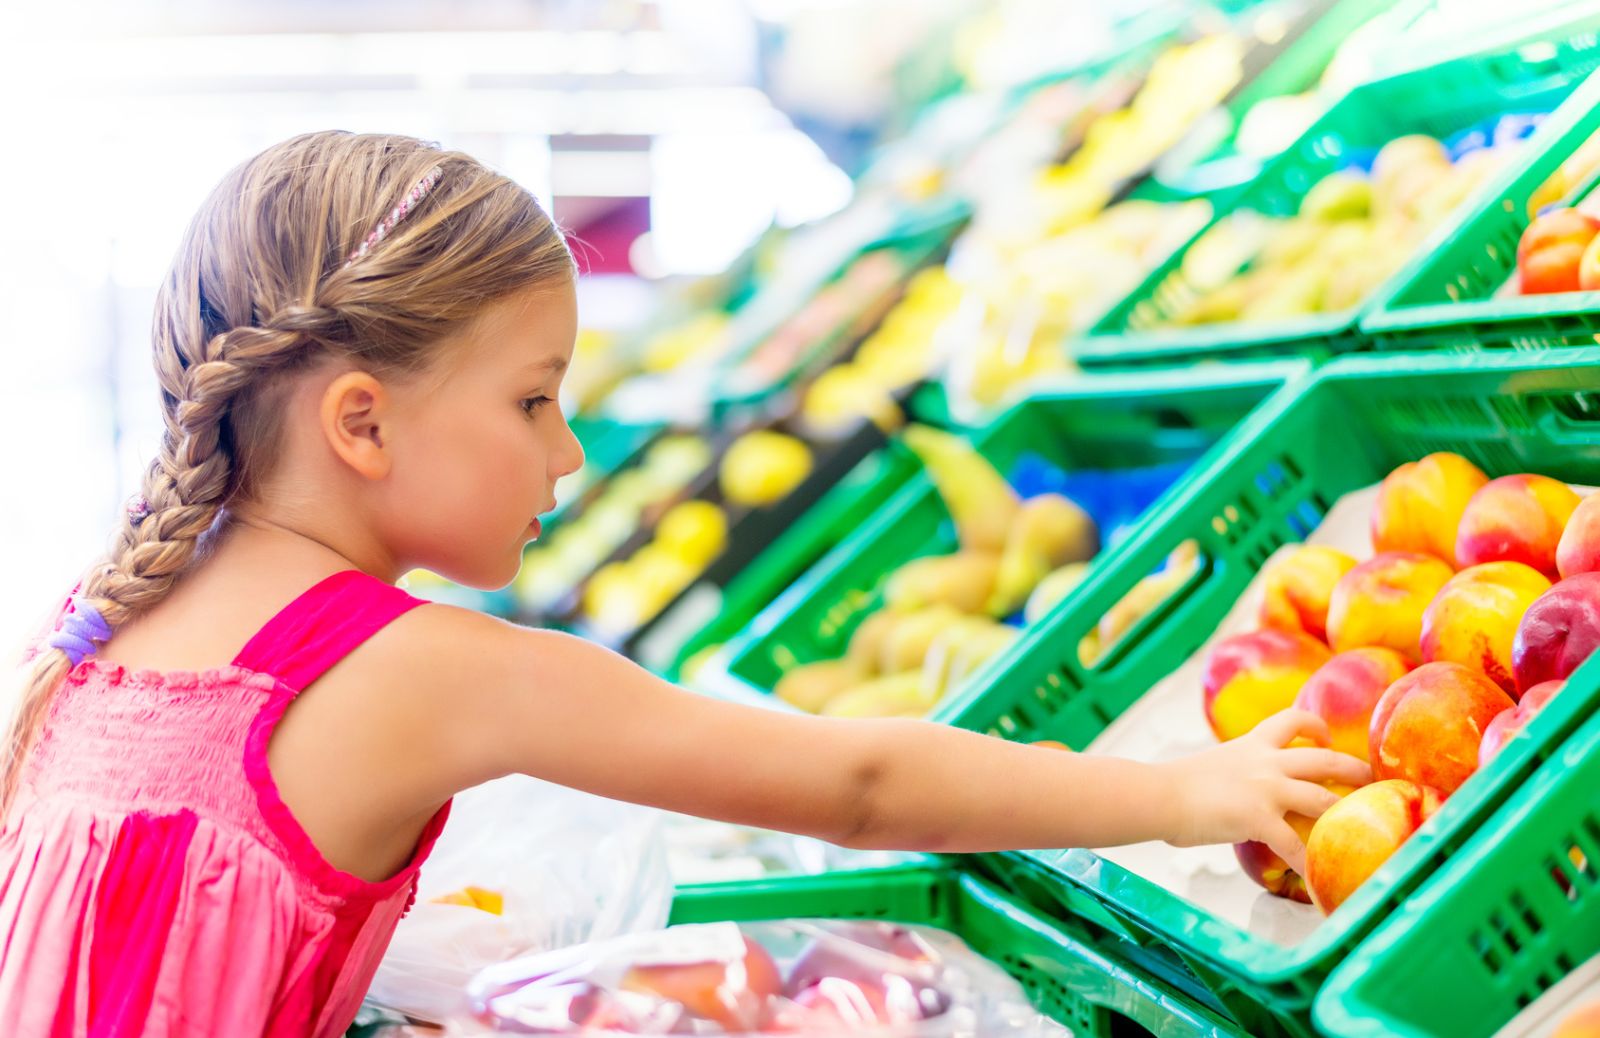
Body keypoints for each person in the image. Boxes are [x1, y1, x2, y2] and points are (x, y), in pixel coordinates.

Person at [0, 131, 1368, 1037]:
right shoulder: (408, 666)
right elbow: (861, 786)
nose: (571, 451)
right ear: (360, 422)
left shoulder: (108, 622)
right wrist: (1186, 791)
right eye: (535, 400)